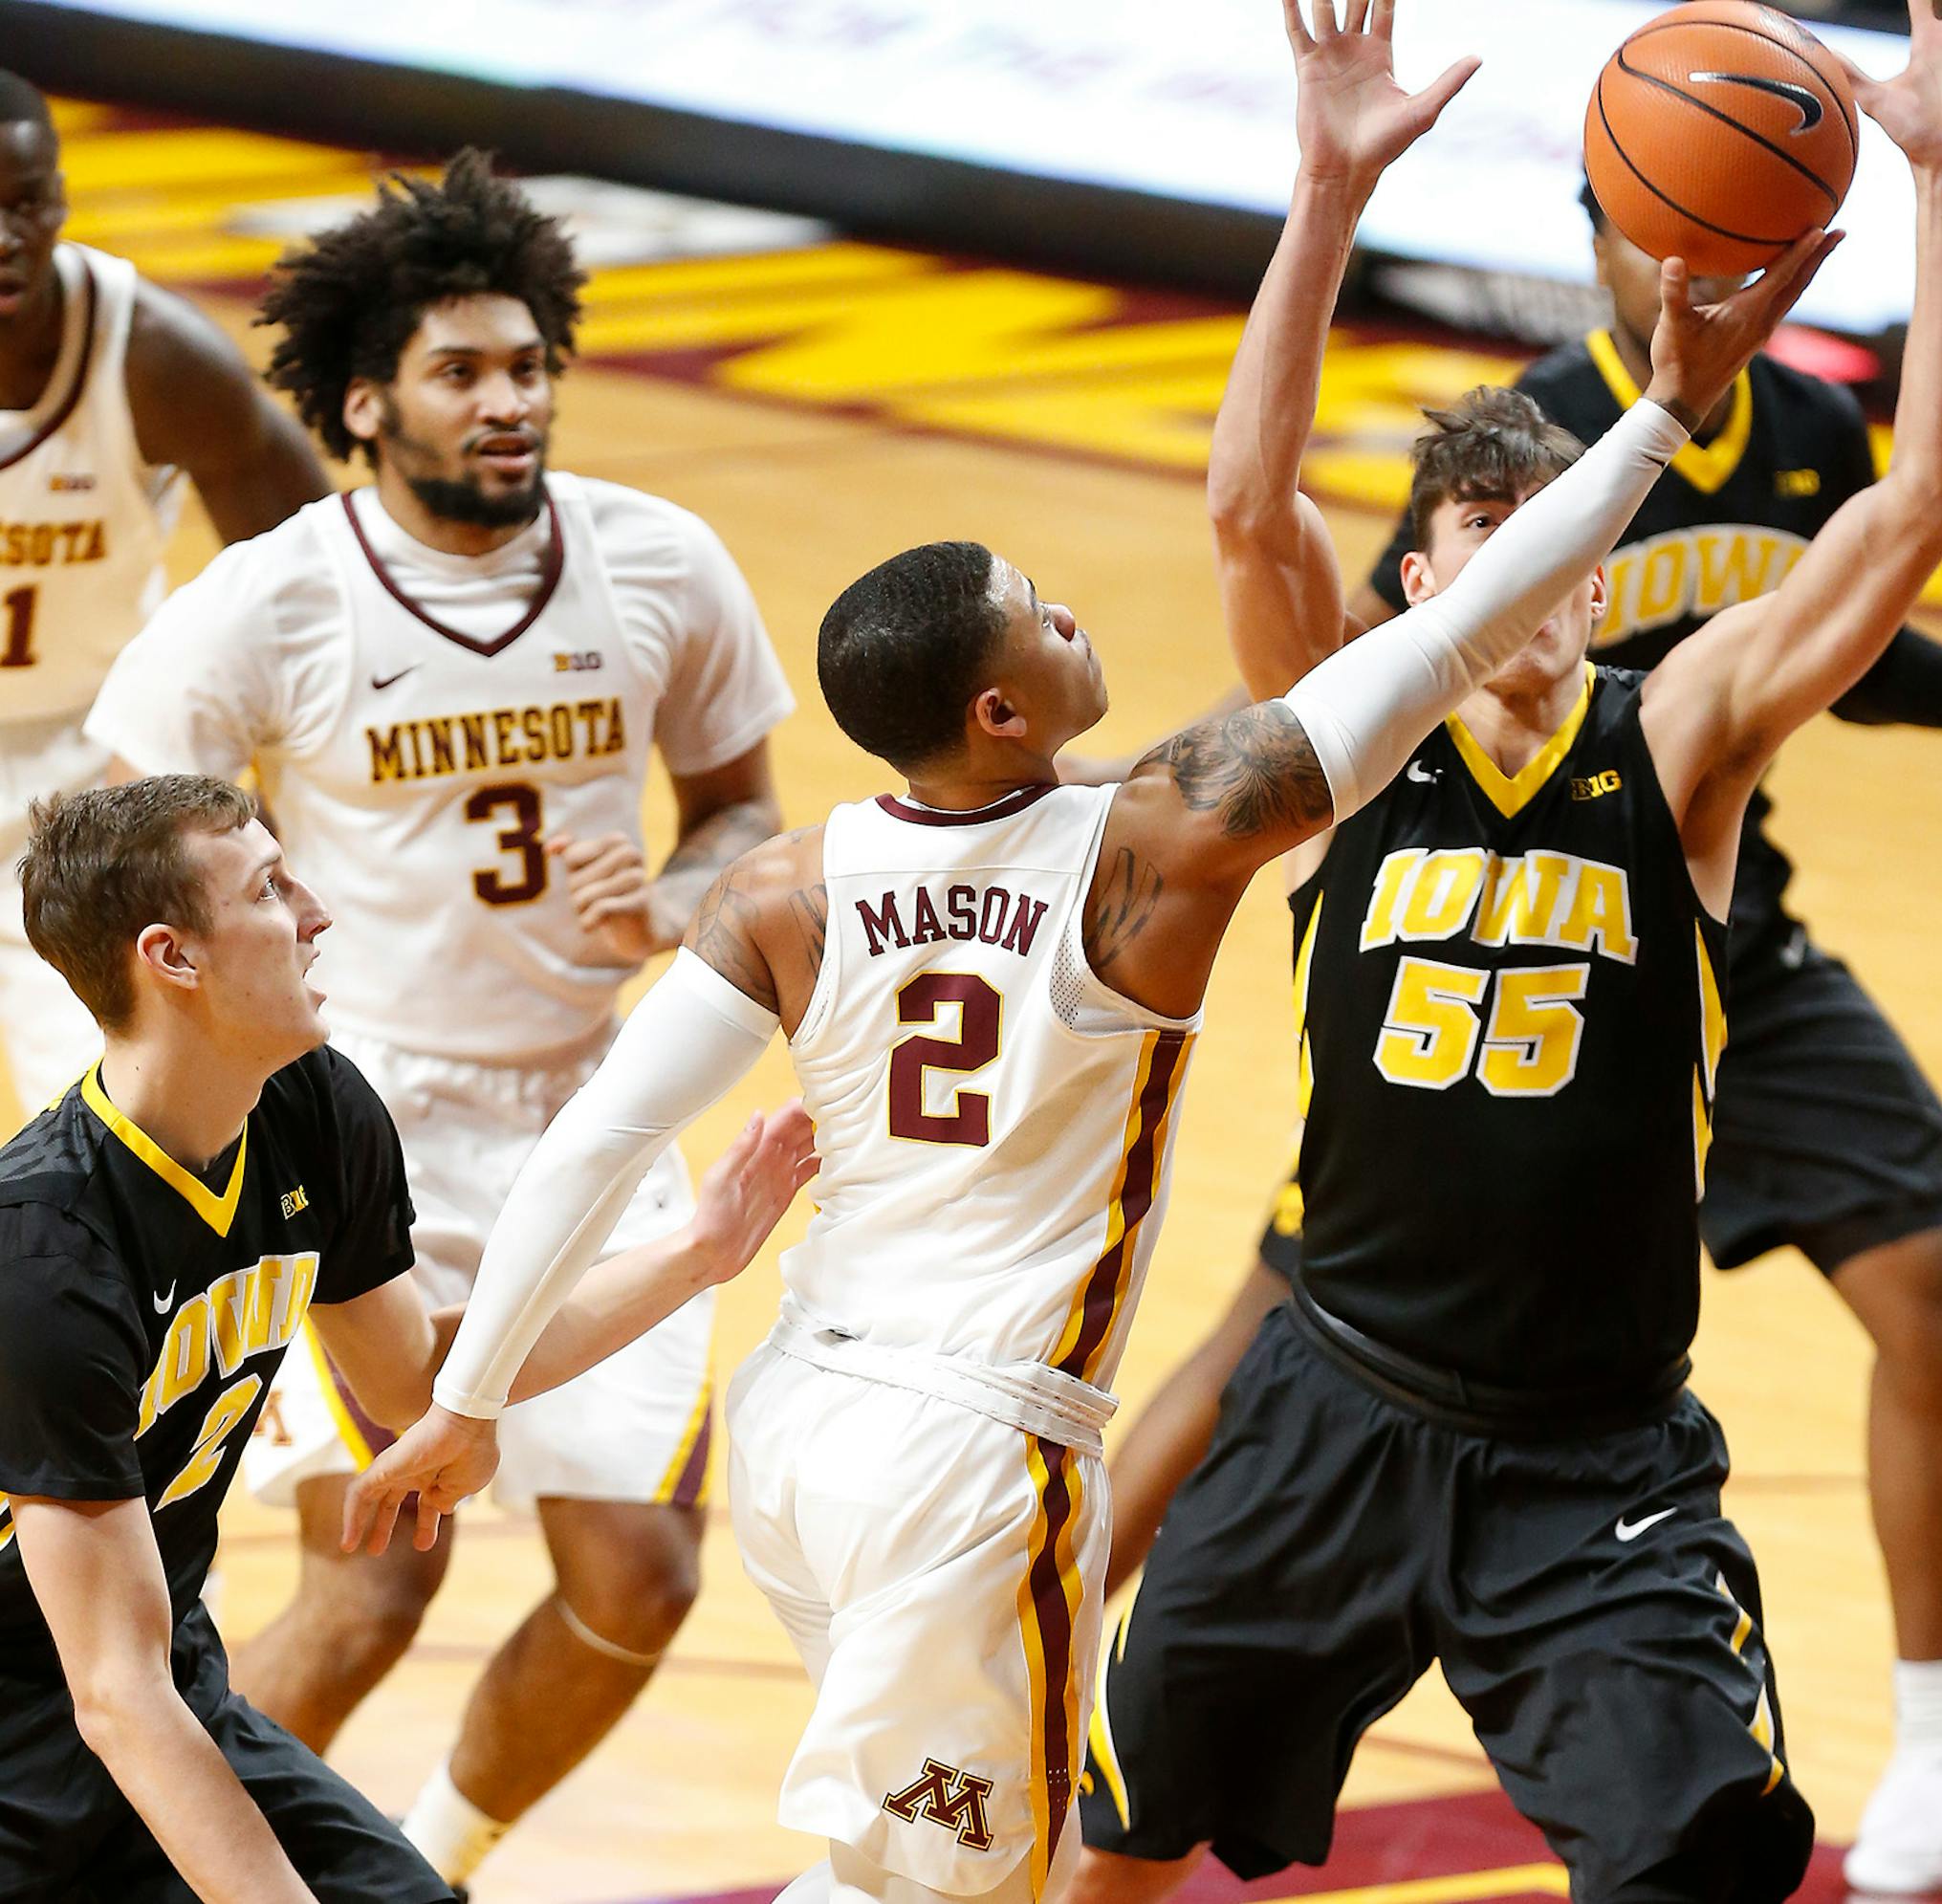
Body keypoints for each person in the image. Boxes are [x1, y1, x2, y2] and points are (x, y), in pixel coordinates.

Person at [334, 13, 1837, 1904]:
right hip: (975, 1453)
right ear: (999, 705)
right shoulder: (1160, 838)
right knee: (974, 1884)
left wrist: (472, 1394)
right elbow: (1442, 645)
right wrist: (1659, 418)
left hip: (806, 1416)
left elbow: (586, 1148)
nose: (1073, 608)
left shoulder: (788, 885)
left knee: (895, 1858)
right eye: (1041, 615)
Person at [1062, 5, 1942, 1904]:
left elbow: (1921, 510)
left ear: (1603, 568)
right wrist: (1327, 188)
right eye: (1472, 534)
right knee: (1132, 1832)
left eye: (1552, 534)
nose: (1517, 568)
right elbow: (1251, 505)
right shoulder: (1343, 752)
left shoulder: (1679, 749)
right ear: (1417, 583)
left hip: (1595, 1459)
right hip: (1333, 1406)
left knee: (1692, 1857)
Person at [81, 150, 795, 1893]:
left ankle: (436, 1860)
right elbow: (119, 856)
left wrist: (699, 885)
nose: (508, 402)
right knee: (380, 1570)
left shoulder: (661, 561)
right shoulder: (275, 595)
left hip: (592, 1107)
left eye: (529, 365)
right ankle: (132, 1876)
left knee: (642, 1580)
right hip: (354, 1116)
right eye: (462, 371)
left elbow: (744, 808)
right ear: (363, 398)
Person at [0, 776, 815, 1903]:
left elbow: (425, 1378)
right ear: (172, 956)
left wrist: (693, 1253)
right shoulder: (43, 1256)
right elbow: (113, 1691)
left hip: (168, 1702)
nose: (319, 909)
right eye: (271, 888)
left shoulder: (312, 1110)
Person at [0, 71, 329, 1125]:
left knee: (119, 1130)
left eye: (25, 201)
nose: (6, 235)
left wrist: (296, 782)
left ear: (59, 195)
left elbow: (311, 573)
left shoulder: (151, 357)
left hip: (84, 778)